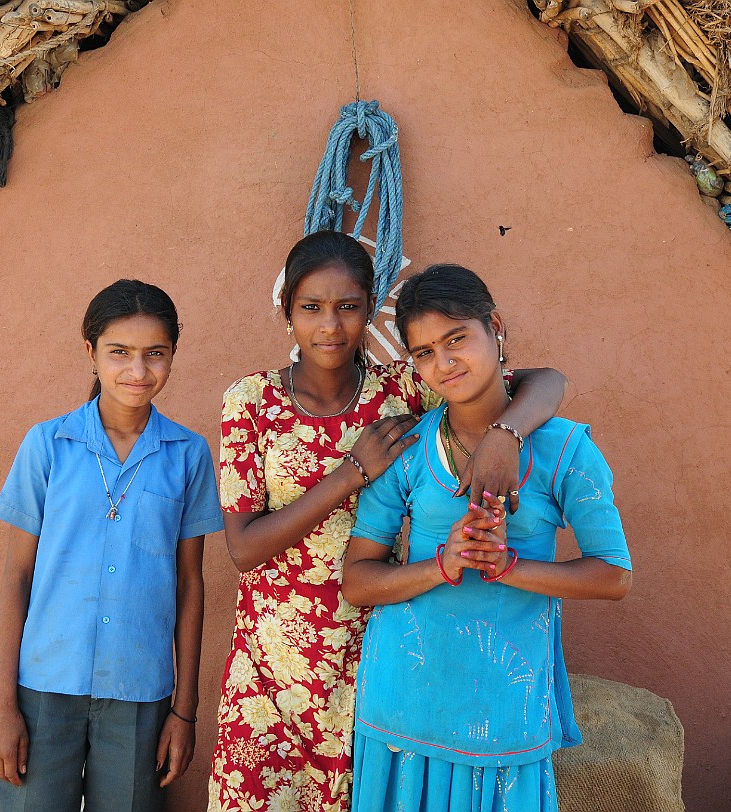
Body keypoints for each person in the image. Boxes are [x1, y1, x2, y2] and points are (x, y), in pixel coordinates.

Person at [208, 231, 568, 812]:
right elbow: (243, 549)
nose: (330, 326)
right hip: (268, 669)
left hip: (373, 652)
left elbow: (545, 380)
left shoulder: (400, 390)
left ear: (370, 312)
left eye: (348, 308)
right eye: (311, 308)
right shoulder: (249, 402)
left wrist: (507, 435)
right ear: (287, 312)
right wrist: (353, 471)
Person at [342, 264, 633, 812]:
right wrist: (441, 564)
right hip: (401, 708)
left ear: (494, 327)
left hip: (506, 713)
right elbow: (357, 582)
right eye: (425, 353)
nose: (445, 364)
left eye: (457, 340)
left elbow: (613, 575)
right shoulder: (409, 449)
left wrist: (507, 566)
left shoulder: (564, 450)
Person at [0, 280, 224, 812]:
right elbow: (16, 576)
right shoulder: (47, 445)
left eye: (154, 354)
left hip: (141, 691)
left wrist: (185, 711)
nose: (137, 372)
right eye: (119, 352)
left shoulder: (188, 454)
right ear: (90, 352)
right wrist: (2, 708)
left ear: (173, 355)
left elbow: (190, 584)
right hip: (45, 687)